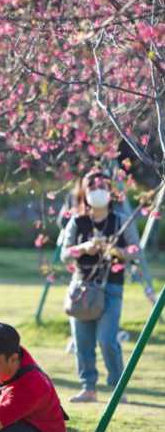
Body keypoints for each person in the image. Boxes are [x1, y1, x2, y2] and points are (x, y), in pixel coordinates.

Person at [61, 167, 140, 403]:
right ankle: (88, 387)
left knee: (107, 341)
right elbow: (65, 254)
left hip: (111, 288)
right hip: (82, 289)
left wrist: (115, 250)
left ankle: (117, 386)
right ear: (85, 192)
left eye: (103, 186)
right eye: (93, 187)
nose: (98, 191)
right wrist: (83, 248)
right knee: (83, 342)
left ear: (111, 192)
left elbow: (135, 251)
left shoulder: (121, 221)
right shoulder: (78, 222)